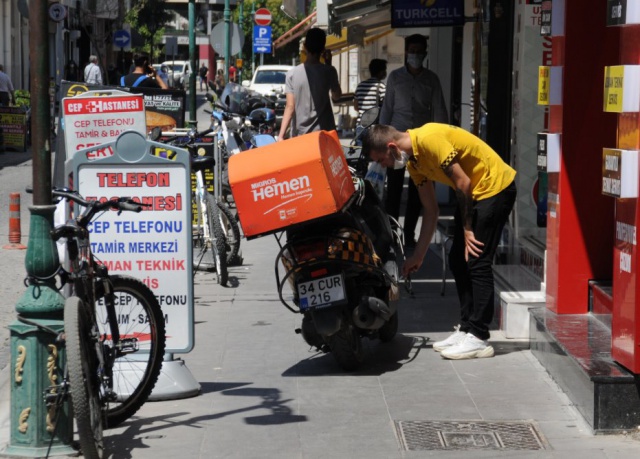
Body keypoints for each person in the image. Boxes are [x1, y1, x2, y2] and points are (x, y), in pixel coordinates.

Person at [363, 123, 516, 360]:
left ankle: (479, 336)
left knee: (476, 259)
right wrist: (418, 256)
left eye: (381, 160)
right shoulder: (414, 163)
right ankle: (467, 328)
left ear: (392, 147)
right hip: (473, 193)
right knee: (457, 259)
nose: (383, 166)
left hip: (494, 187)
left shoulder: (429, 140)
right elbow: (431, 210)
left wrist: (467, 229)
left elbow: (462, 182)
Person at [380, 34, 448, 248]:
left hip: (421, 143)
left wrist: (442, 143)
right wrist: (381, 139)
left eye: (419, 51)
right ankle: (391, 235)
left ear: (425, 53)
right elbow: (387, 108)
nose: (415, 55)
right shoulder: (395, 78)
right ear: (406, 52)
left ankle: (409, 235)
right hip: (396, 141)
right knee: (394, 191)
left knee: (419, 192)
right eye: (412, 51)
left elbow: (439, 110)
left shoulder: (432, 79)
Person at [278, 28, 342, 140]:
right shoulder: (329, 71)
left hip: (300, 136)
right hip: (324, 135)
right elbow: (336, 96)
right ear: (323, 49)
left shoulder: (292, 74)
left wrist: (281, 135)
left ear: (304, 46)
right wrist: (328, 64)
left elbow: (290, 107)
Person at [353, 58, 387, 137]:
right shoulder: (382, 87)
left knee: (359, 145)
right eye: (384, 70)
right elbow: (386, 108)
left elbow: (356, 107)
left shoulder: (360, 85)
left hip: (360, 126)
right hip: (374, 128)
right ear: (381, 72)